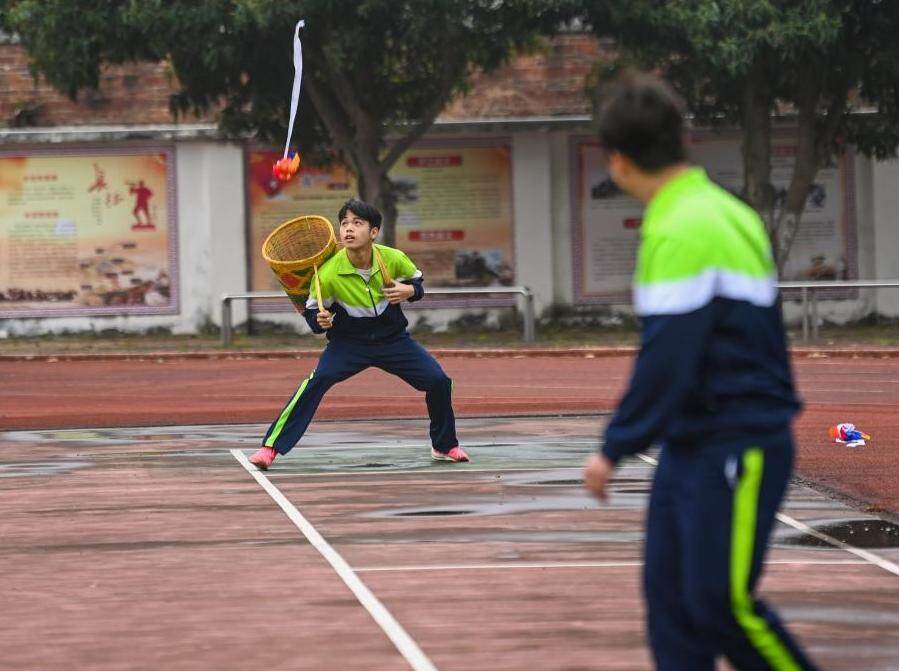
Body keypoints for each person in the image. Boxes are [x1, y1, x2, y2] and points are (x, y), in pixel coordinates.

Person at [582, 73, 818, 671]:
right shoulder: (724, 209)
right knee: (672, 604)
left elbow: (669, 357)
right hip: (693, 443)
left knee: (721, 603)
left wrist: (614, 447)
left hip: (737, 441)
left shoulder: (681, 225)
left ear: (618, 159)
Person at [249, 198, 469, 470]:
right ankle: (270, 448)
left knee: (438, 381)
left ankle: (444, 445)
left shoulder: (392, 258)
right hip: (349, 344)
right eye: (344, 223)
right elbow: (312, 316)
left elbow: (416, 282)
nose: (348, 229)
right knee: (316, 382)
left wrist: (410, 291)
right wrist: (320, 320)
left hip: (393, 340)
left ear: (373, 232)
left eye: (357, 223)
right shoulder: (328, 273)